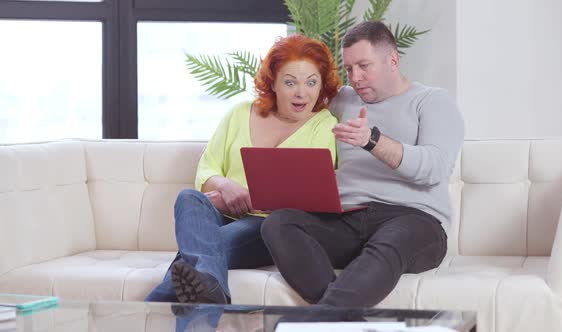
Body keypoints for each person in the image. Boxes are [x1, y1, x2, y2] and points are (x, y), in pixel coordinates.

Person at [261, 21, 465, 307]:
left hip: (415, 221)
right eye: (349, 68)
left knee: (391, 242)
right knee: (279, 223)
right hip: (347, 219)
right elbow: (291, 105)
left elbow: (434, 169)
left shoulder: (431, 101)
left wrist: (372, 140)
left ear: (393, 60)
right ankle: (337, 318)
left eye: (364, 66)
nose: (355, 77)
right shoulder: (343, 99)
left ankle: (322, 320)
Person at [145, 34, 341, 305]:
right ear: (272, 82)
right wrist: (225, 186)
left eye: (311, 82)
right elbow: (207, 169)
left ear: (322, 84)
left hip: (267, 226)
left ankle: (144, 311)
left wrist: (253, 198)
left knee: (196, 256)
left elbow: (312, 191)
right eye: (290, 82)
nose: (301, 92)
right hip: (221, 214)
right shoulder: (239, 113)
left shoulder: (323, 124)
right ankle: (210, 288)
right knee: (189, 199)